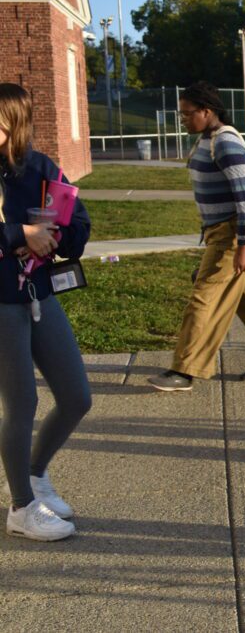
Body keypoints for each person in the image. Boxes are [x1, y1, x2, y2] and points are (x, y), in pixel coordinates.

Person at [149, 82, 245, 392]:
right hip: (224, 231)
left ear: (207, 111)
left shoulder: (225, 143)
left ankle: (184, 371)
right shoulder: (206, 139)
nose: (183, 119)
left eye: (187, 114)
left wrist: (242, 246)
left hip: (233, 231)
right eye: (181, 114)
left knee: (205, 299)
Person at [0, 82, 91, 541]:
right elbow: (16, 233)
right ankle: (21, 507)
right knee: (22, 403)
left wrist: (60, 237)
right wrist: (20, 233)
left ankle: (34, 474)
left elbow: (79, 219)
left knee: (77, 396)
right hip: (0, 302)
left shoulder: (38, 167)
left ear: (16, 125)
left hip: (38, 293)